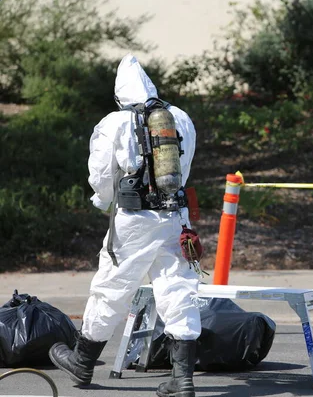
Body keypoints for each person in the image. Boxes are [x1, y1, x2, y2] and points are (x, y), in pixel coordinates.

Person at [48, 54, 201, 397]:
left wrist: (102, 200)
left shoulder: (114, 122)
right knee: (179, 291)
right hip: (176, 217)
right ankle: (183, 378)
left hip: (135, 220)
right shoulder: (181, 118)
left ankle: (83, 362)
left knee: (112, 289)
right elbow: (183, 169)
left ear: (120, 95)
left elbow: (101, 176)